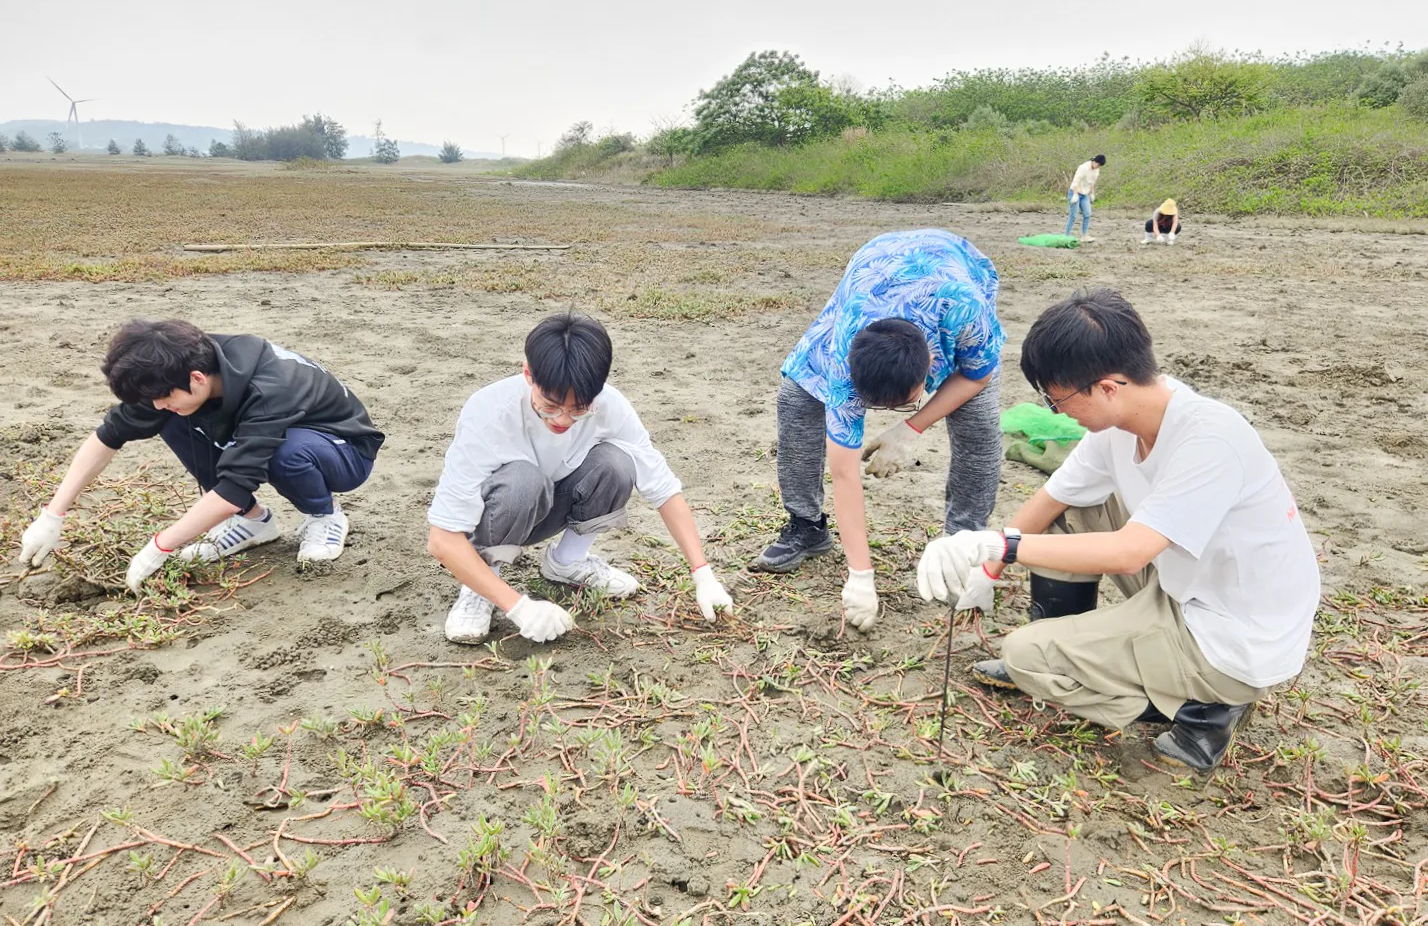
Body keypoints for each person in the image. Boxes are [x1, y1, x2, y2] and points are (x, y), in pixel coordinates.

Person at [915, 289, 1320, 772]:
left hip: (1230, 637)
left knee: (1024, 657)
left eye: (1057, 399)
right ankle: (1076, 646)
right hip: (1190, 583)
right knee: (1074, 511)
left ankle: (1204, 709)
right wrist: (987, 569)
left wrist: (1002, 545)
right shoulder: (1122, 424)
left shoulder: (1210, 440)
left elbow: (1131, 552)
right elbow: (1053, 499)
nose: (1056, 411)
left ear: (1107, 388)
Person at [427, 311, 733, 645]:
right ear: (528, 374)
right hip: (502, 512)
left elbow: (663, 489)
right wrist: (518, 606)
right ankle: (481, 584)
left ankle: (567, 562)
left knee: (617, 463)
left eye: (579, 409)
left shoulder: (610, 406)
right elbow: (442, 540)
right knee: (523, 482)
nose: (562, 419)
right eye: (550, 405)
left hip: (552, 505)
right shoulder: (488, 413)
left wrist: (703, 575)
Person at [753, 228, 1005, 634]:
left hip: (954, 267)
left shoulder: (966, 310)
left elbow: (977, 375)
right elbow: (844, 473)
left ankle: (964, 544)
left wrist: (911, 428)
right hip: (872, 271)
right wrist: (860, 576)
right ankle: (806, 526)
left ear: (931, 367)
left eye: (903, 402)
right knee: (796, 398)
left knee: (978, 424)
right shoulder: (842, 354)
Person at [16, 318, 384, 590]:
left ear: (197, 378)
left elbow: (236, 485)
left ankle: (324, 515)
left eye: (163, 396)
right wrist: (53, 515)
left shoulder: (270, 387)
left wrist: (160, 546)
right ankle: (253, 522)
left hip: (343, 449)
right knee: (172, 417)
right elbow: (108, 436)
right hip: (272, 430)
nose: (157, 403)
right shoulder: (173, 372)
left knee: (285, 452)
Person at [1065, 154, 1105, 241]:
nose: (1097, 166)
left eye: (1099, 165)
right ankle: (1066, 236)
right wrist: (1075, 194)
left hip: (1085, 194)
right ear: (1094, 161)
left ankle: (1084, 236)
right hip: (1075, 192)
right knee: (1073, 215)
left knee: (1087, 214)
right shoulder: (1083, 168)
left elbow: (1092, 183)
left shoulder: (1096, 170)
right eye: (1097, 164)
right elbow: (1076, 181)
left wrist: (1092, 193)